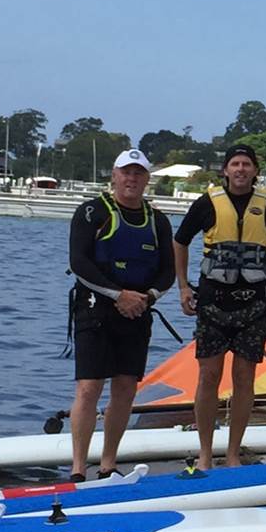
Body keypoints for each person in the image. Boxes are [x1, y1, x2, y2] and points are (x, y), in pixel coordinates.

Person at [175, 145, 266, 468]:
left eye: (247, 164)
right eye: (235, 164)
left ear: (255, 171)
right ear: (225, 170)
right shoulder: (207, 204)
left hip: (254, 304)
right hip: (213, 303)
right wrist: (183, 287)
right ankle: (205, 453)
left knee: (244, 377)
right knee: (208, 376)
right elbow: (180, 241)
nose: (241, 169)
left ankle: (233, 453)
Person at [65, 149, 179, 480]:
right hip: (95, 308)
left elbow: (168, 272)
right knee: (89, 387)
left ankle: (108, 464)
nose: (131, 179)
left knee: (126, 387)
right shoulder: (92, 212)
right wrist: (118, 294)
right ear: (114, 176)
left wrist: (147, 297)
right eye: (126, 173)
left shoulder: (158, 221)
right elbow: (79, 262)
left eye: (138, 174)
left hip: (138, 310)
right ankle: (77, 469)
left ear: (146, 180)